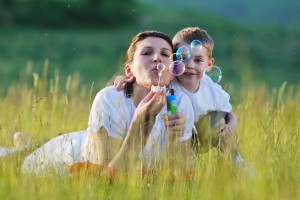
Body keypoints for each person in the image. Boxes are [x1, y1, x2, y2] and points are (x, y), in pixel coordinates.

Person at [22, 30, 195, 180]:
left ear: (173, 72)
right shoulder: (110, 99)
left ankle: (23, 143)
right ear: (129, 70)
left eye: (165, 54)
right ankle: (22, 146)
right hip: (63, 159)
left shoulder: (179, 103)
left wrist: (175, 139)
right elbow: (109, 177)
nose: (157, 58)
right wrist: (143, 121)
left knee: (27, 146)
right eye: (147, 53)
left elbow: (181, 176)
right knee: (15, 159)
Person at [114, 27, 244, 166]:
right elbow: (148, 81)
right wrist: (130, 78)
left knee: (218, 122)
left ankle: (237, 163)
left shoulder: (212, 90)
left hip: (204, 133)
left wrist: (232, 125)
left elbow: (228, 112)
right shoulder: (170, 81)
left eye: (198, 60)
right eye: (182, 59)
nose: (189, 65)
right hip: (181, 138)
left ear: (209, 65)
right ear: (173, 60)